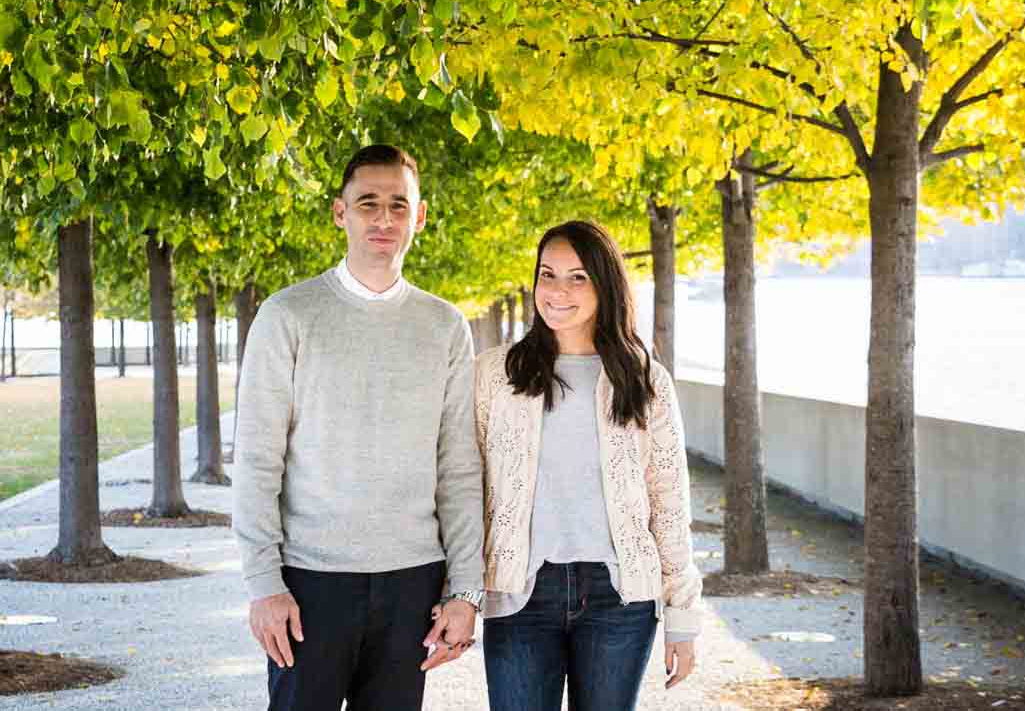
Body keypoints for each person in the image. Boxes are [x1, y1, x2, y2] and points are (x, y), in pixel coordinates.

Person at [233, 143, 486, 710]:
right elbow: (255, 460)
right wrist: (263, 584)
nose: (384, 217)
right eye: (368, 202)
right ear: (339, 212)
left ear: (419, 217)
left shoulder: (445, 326)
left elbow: (459, 468)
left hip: (413, 583)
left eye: (399, 205)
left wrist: (466, 590)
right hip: (309, 582)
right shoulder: (287, 316)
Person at [473, 219, 702, 710]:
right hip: (519, 595)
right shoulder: (496, 374)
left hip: (618, 599)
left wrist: (682, 616)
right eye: (547, 274)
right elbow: (465, 487)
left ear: (605, 285)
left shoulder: (645, 381)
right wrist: (459, 591)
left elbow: (668, 500)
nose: (558, 290)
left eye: (578, 277)